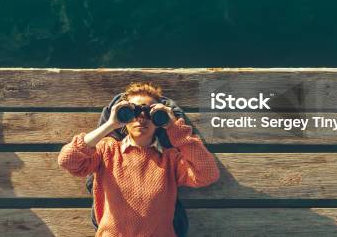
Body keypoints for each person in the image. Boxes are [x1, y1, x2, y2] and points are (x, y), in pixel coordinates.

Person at [58, 82, 220, 237]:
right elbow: (67, 159)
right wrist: (110, 124)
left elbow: (207, 174)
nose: (141, 117)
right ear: (122, 117)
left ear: (159, 121)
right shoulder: (107, 150)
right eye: (132, 112)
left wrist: (174, 127)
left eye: (151, 113)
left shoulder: (170, 159)